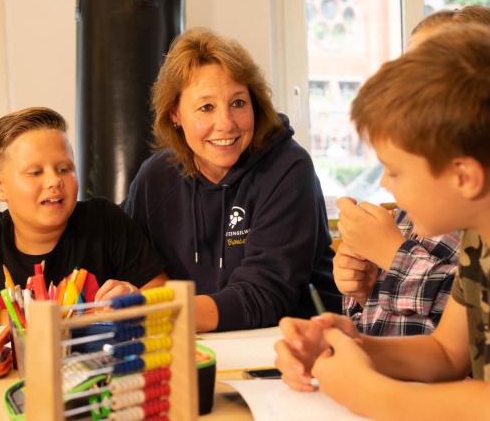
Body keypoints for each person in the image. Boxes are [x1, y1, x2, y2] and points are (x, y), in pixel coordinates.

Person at [275, 24, 490, 418]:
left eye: (395, 171)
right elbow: (446, 353)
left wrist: (364, 390)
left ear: (465, 177)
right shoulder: (486, 228)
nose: (386, 185)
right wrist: (348, 343)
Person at [335, 4, 490, 336]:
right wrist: (365, 288)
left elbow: (481, 322)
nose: (410, 92)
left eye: (428, 75)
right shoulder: (435, 180)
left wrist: (391, 255)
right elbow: (440, 342)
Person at [121, 27, 339, 332]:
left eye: (238, 103)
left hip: (292, 349)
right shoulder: (155, 177)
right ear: (175, 114)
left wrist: (156, 311)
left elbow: (264, 296)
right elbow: (125, 258)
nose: (225, 123)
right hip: (197, 346)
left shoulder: (289, 168)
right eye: (206, 107)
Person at [0, 107, 167, 343]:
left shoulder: (104, 221)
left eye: (64, 168)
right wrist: (11, 320)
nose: (54, 181)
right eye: (35, 172)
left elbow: (162, 293)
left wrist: (134, 297)